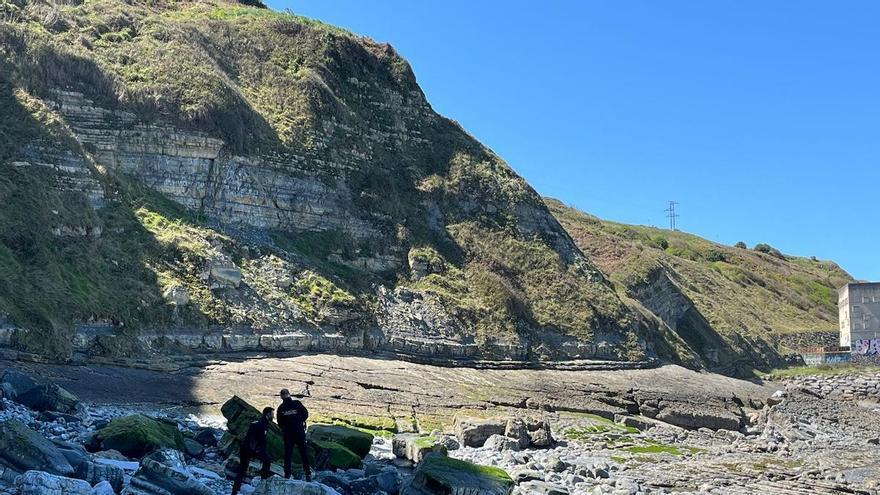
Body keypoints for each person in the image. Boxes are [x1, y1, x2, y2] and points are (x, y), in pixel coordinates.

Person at [231, 407, 274, 495]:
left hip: (245, 448)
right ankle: (263, 480)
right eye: (272, 413)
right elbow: (261, 440)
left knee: (242, 470)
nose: (273, 415)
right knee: (267, 460)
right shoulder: (263, 424)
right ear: (268, 414)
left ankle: (235, 490)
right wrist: (260, 451)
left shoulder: (256, 422)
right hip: (253, 449)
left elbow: (249, 436)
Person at [277, 388, 311, 481]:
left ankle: (287, 475)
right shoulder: (297, 403)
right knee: (304, 453)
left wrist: (286, 427)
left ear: (281, 396)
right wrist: (300, 421)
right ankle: (308, 473)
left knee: (288, 455)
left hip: (288, 435)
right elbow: (306, 414)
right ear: (289, 394)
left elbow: (280, 423)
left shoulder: (281, 408)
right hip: (299, 432)